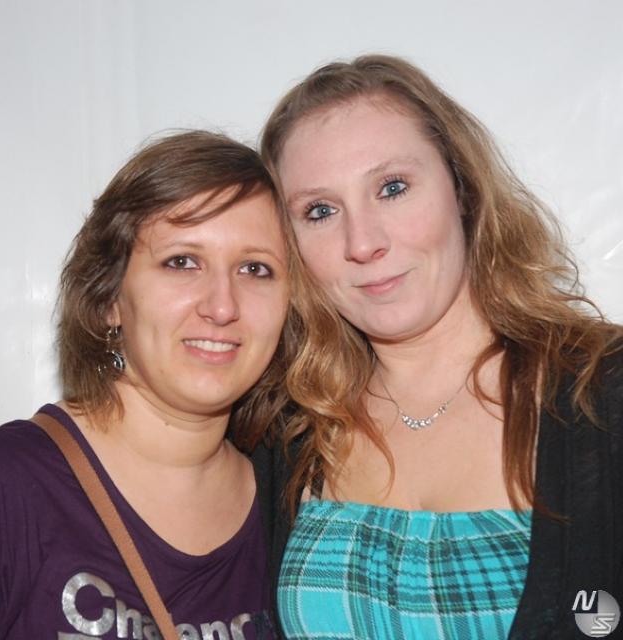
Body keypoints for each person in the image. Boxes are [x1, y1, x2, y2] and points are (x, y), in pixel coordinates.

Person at [259, 55, 623, 639]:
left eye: (392, 188)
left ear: (463, 189)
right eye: (320, 211)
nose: (363, 242)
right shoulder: (286, 428)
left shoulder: (604, 394)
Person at [0, 130, 299, 639]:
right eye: (182, 262)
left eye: (255, 269)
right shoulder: (1, 484)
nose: (222, 306)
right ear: (110, 298)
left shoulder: (296, 508)